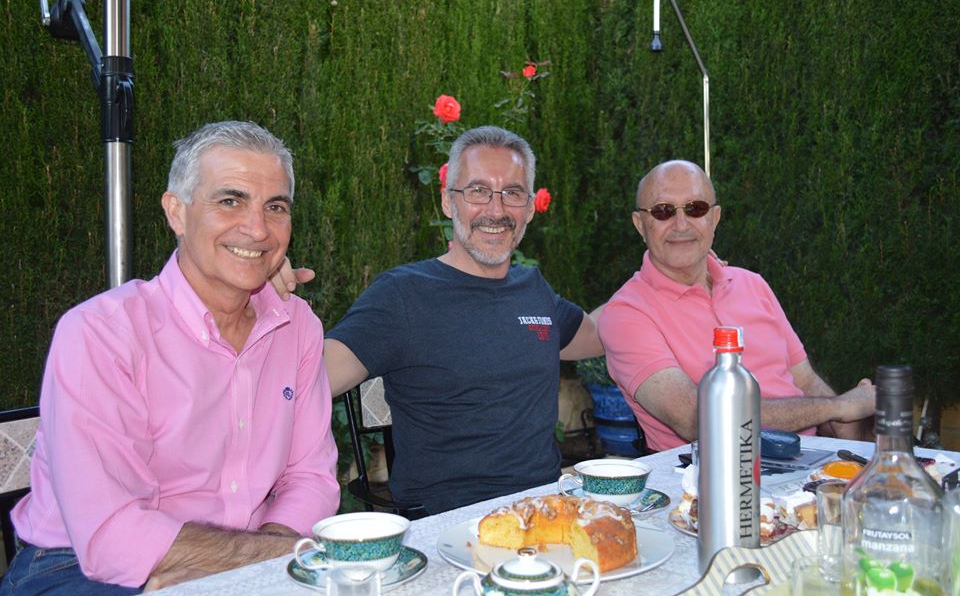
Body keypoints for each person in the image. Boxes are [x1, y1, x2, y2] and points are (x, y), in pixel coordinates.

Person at [1, 121, 340, 594]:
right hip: (71, 568)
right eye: (230, 200)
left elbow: (311, 477)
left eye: (275, 207)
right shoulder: (102, 333)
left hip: (252, 552)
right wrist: (268, 559)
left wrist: (262, 557)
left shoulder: (296, 325)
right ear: (176, 212)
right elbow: (109, 537)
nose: (258, 228)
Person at [281, 125, 602, 515]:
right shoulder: (404, 295)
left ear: (530, 208)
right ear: (449, 202)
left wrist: (658, 272)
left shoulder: (533, 290)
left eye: (512, 193)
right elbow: (304, 382)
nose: (496, 210)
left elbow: (604, 334)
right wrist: (262, 303)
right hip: (448, 524)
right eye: (478, 190)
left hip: (545, 510)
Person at [598, 160, 875, 453]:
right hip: (711, 471)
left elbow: (806, 381)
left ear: (714, 218)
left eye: (695, 209)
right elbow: (697, 419)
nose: (681, 224)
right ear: (640, 225)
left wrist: (843, 426)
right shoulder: (626, 314)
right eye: (663, 211)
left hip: (809, 460)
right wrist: (837, 407)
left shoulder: (753, 285)